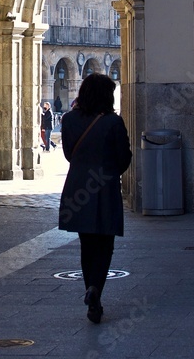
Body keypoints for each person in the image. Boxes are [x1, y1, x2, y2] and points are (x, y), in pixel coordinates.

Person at [57, 73, 132, 325]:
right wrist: (109, 170)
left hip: (77, 186)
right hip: (105, 187)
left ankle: (91, 290)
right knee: (105, 244)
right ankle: (95, 289)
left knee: (86, 243)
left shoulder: (68, 120)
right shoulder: (113, 122)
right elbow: (124, 158)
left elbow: (69, 153)